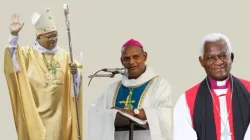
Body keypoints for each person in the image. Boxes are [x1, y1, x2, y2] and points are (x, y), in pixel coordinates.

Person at [4, 8, 83, 140]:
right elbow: (12, 63)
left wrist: (75, 73)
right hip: (35, 116)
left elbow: (75, 86)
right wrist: (13, 36)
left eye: (55, 35)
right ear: (39, 36)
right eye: (49, 36)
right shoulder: (27, 54)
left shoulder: (65, 56)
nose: (53, 39)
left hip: (60, 116)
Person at [88, 39, 172, 140]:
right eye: (126, 58)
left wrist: (135, 112)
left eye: (136, 57)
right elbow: (96, 113)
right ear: (121, 61)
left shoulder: (159, 84)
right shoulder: (112, 89)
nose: (131, 62)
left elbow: (166, 114)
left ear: (144, 56)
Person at [173, 33, 250, 140]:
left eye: (223, 56)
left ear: (231, 57)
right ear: (202, 61)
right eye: (210, 58)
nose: (218, 62)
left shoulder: (249, 90)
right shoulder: (186, 100)